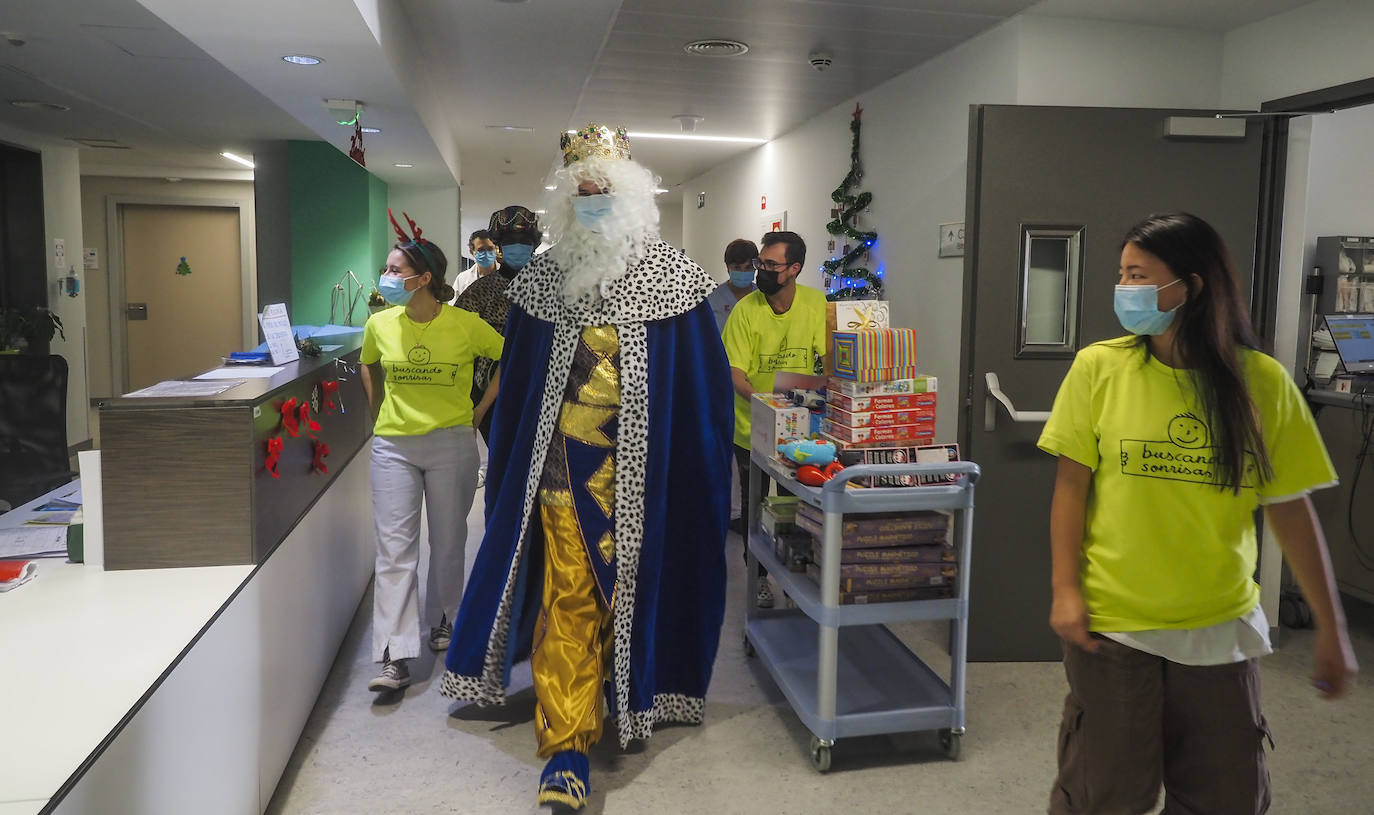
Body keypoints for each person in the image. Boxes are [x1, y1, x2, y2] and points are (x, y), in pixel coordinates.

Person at [441, 124, 733, 811]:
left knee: (621, 598)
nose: (593, 201)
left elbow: (699, 393)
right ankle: (566, 747)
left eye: (604, 191)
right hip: (561, 478)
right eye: (582, 193)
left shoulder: (675, 280)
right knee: (570, 597)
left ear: (630, 197)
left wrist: (698, 476)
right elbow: (518, 389)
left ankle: (622, 693)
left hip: (642, 482)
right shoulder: (543, 280)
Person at [1038, 212, 1358, 814]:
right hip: (1115, 625)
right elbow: (1070, 490)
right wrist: (1064, 590)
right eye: (1122, 274)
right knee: (1103, 793)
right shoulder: (1100, 368)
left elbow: (1290, 511)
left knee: (1225, 796)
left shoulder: (1261, 384)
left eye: (1139, 275)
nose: (1125, 289)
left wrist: (1331, 626)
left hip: (1218, 628)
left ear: (1190, 286)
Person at [360, 210, 505, 695]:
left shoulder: (465, 325)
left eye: (395, 270)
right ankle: (394, 654)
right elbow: (369, 365)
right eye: (388, 268)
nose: (387, 277)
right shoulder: (381, 324)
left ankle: (448, 620)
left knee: (447, 541)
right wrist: (378, 412)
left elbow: (509, 356)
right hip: (393, 447)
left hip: (451, 444)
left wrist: (480, 410)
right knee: (395, 549)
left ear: (424, 279)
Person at [720, 231, 827, 607]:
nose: (759, 271)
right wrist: (768, 406)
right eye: (759, 264)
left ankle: (795, 577)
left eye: (769, 265)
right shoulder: (746, 311)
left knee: (796, 506)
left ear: (794, 269)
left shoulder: (817, 305)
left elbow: (830, 361)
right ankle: (759, 578)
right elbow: (735, 373)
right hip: (752, 429)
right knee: (754, 509)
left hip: (802, 433)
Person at [707, 237, 758, 332]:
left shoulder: (763, 297)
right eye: (737, 267)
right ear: (727, 267)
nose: (743, 272)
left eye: (748, 267)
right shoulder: (713, 297)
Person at [489, 204, 542, 280]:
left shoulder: (549, 284)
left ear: (534, 246)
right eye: (510, 241)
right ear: (500, 247)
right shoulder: (480, 288)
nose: (517, 246)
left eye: (524, 241)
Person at [453, 229, 501, 297]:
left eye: (490, 249)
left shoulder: (509, 276)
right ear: (472, 252)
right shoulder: (462, 279)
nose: (486, 253)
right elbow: (453, 306)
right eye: (481, 250)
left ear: (496, 249)